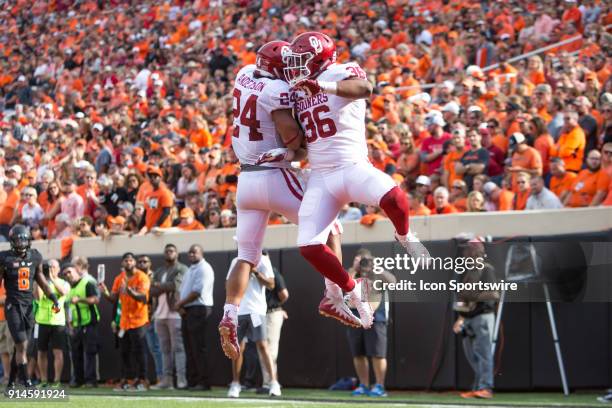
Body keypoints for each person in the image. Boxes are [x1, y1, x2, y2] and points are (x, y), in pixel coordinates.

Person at [263, 31, 429, 334]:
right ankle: (347, 291)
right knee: (309, 247)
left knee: (394, 198)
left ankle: (405, 237)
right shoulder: (298, 90)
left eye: (302, 61)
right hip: (321, 176)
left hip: (351, 166)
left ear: (321, 59)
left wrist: (321, 85)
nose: (296, 68)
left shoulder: (339, 72)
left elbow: (366, 87)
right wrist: (283, 152)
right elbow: (308, 143)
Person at [218, 40, 351, 364]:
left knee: (246, 256)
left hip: (246, 180)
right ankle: (334, 295)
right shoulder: (276, 88)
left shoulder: (244, 73)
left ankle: (229, 315)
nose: (290, 70)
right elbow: (290, 133)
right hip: (273, 173)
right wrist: (300, 148)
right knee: (330, 223)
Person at [0, 225, 60, 391]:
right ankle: (25, 382)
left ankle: (11, 382)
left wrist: (53, 297)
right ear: (12, 241)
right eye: (18, 240)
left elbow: (41, 279)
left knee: (23, 347)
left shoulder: (35, 256)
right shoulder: (5, 258)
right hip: (13, 306)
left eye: (24, 239)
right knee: (22, 344)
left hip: (29, 306)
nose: (21, 243)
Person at [226, 252, 281, 398]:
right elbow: (228, 284)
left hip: (256, 311)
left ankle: (274, 383)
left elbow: (271, 284)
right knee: (237, 348)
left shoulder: (263, 260)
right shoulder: (235, 261)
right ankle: (236, 384)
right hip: (239, 311)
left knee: (263, 345)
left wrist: (255, 271)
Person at [452, 235, 499, 400]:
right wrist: (460, 318)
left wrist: (474, 295)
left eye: (469, 249)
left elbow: (494, 294)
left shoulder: (487, 269)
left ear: (478, 251)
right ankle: (478, 387)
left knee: (483, 353)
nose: (465, 253)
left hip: (483, 316)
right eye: (465, 249)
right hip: (468, 318)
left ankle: (486, 387)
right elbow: (463, 299)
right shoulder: (466, 271)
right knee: (473, 355)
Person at [347, 250, 395, 398]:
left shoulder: (377, 272)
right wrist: (354, 269)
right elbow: (342, 285)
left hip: (376, 317)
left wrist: (375, 267)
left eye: (364, 261)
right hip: (354, 317)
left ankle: (379, 386)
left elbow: (393, 281)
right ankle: (364, 385)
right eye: (359, 260)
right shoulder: (352, 274)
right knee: (358, 353)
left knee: (377, 353)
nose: (363, 264)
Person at [99, 252, 150, 391]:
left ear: (134, 262)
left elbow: (143, 298)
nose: (128, 262)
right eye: (126, 260)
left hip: (139, 320)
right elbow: (113, 299)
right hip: (124, 322)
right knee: (125, 352)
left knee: (139, 352)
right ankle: (127, 380)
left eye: (131, 260)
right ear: (122, 263)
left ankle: (142, 380)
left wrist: (128, 290)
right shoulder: (119, 278)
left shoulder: (142, 277)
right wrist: (105, 292)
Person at [176, 245, 214, 391]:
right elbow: (181, 290)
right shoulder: (190, 270)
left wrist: (180, 303)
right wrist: (180, 306)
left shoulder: (204, 268)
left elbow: (197, 292)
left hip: (199, 309)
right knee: (189, 348)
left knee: (198, 347)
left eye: (194, 252)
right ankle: (192, 381)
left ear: (201, 253)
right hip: (187, 310)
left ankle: (204, 382)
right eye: (189, 252)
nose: (191, 255)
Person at [150, 244, 188, 390]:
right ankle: (167, 381)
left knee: (178, 348)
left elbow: (175, 286)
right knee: (164, 350)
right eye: (166, 251)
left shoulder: (182, 268)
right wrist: (159, 286)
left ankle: (181, 380)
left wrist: (158, 284)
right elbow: (151, 291)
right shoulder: (160, 271)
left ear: (177, 253)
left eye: (171, 251)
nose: (169, 253)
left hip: (175, 314)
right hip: (159, 314)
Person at [64, 262, 100, 388]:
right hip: (76, 325)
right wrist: (69, 324)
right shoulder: (69, 288)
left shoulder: (87, 283)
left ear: (76, 271)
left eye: (69, 272)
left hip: (89, 323)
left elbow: (96, 299)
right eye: (65, 274)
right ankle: (78, 380)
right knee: (75, 353)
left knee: (89, 352)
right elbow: (69, 308)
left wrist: (80, 299)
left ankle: (91, 380)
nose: (68, 275)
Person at [34, 259, 70, 388]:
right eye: (49, 267)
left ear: (59, 269)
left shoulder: (64, 282)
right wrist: (39, 278)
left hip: (58, 322)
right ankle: (43, 380)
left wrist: (51, 279)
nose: (51, 269)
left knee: (57, 352)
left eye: (54, 267)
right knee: (41, 352)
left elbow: (63, 293)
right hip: (42, 321)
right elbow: (38, 296)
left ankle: (56, 380)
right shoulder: (41, 283)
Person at [258, 252, 289, 393]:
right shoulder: (256, 272)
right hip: (261, 313)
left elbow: (284, 295)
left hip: (272, 313)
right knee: (263, 349)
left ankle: (270, 383)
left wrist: (276, 306)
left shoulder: (274, 272)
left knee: (270, 350)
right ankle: (268, 382)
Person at [136, 255, 162, 384]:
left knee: (156, 349)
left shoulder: (154, 277)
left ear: (150, 263)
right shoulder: (136, 278)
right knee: (144, 350)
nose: (142, 264)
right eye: (139, 262)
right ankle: (143, 379)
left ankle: (161, 378)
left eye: (144, 261)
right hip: (140, 319)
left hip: (154, 317)